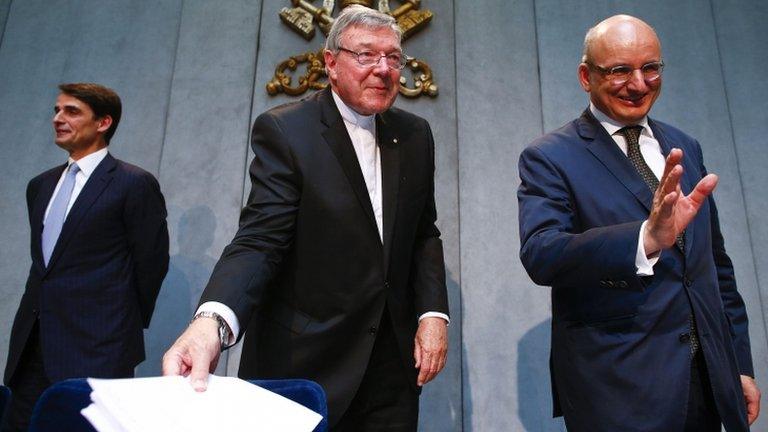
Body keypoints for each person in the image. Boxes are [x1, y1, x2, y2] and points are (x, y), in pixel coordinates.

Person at [162, 5, 449, 431]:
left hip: (390, 368)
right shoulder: (286, 130)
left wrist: (432, 314)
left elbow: (424, 233)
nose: (384, 69)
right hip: (303, 365)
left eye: (393, 57)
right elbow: (261, 239)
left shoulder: (415, 134)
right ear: (331, 64)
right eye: (367, 56)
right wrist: (211, 323)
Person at [517, 14, 760, 432]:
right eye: (619, 70)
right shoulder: (550, 156)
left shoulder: (685, 145)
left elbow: (714, 267)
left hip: (706, 384)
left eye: (650, 68)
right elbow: (542, 254)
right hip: (618, 391)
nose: (639, 83)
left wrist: (737, 364)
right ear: (585, 76)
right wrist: (645, 237)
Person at [2, 83, 169, 431]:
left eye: (71, 111)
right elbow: (45, 268)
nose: (58, 119)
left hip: (98, 348)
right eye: (57, 111)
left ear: (104, 122)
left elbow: (151, 264)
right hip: (31, 346)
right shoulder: (40, 185)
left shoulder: (132, 183)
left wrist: (115, 326)